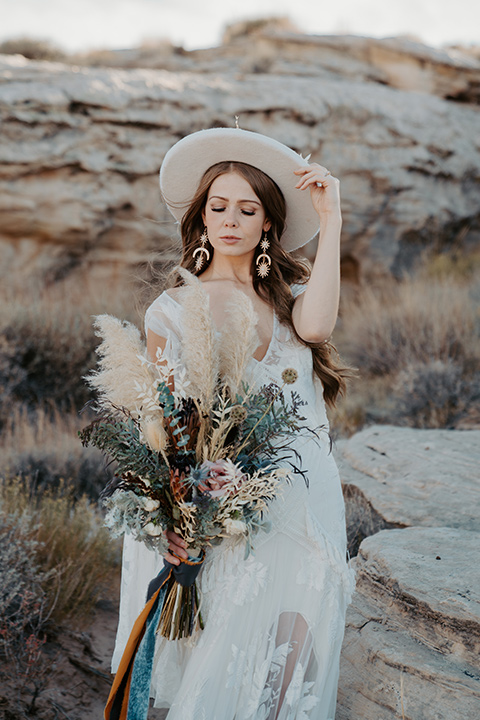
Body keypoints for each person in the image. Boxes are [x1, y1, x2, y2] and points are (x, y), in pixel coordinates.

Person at [111, 128, 355, 720]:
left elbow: (318, 329)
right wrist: (177, 510)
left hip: (308, 488)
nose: (231, 220)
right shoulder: (172, 309)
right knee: (236, 640)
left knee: (300, 638)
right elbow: (169, 425)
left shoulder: (294, 294)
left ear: (267, 223)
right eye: (218, 207)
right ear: (201, 216)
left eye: (248, 210)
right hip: (233, 493)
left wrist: (332, 215)